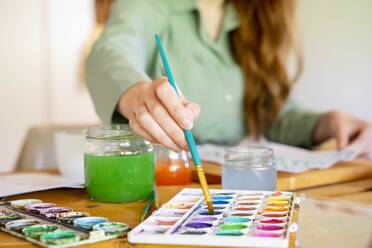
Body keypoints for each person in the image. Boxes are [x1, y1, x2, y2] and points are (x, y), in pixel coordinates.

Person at [86, 0, 372, 158]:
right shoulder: (149, 5)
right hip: (163, 184)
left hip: (234, 185)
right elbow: (110, 51)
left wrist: (327, 124)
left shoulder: (257, 15)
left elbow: (272, 115)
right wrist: (137, 94)